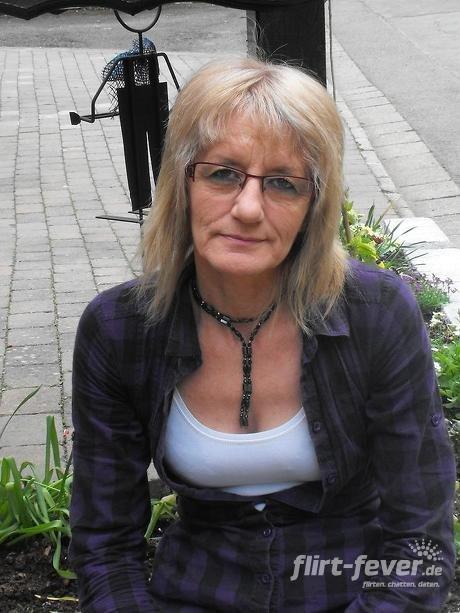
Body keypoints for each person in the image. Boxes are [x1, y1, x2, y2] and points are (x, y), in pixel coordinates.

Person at [69, 57, 455, 612]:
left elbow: (420, 540)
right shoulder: (120, 329)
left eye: (282, 184)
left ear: (314, 205)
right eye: (223, 173)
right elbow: (105, 546)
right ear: (182, 183)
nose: (248, 208)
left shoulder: (376, 314)